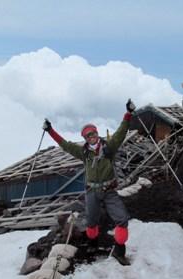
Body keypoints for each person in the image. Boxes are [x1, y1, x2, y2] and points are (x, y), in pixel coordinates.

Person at [43, 99, 136, 265]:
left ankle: (120, 252)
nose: (91, 137)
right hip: (92, 192)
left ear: (96, 133)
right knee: (91, 221)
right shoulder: (83, 153)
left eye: (93, 134)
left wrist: (128, 114)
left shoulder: (109, 148)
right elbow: (64, 144)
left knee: (121, 219)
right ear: (85, 138)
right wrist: (50, 130)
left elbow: (121, 132)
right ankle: (92, 245)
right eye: (88, 136)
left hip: (109, 191)